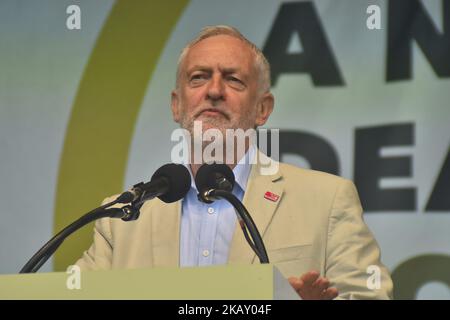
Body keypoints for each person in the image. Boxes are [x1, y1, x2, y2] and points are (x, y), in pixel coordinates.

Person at [76, 25, 393, 299]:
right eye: (198, 78)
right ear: (177, 105)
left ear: (262, 109)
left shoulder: (327, 201)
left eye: (233, 80)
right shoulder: (121, 218)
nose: (214, 91)